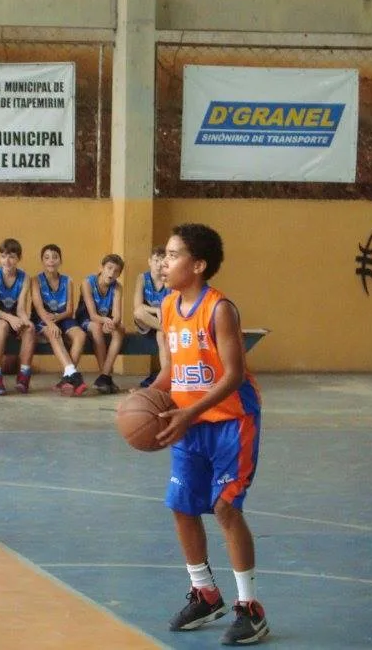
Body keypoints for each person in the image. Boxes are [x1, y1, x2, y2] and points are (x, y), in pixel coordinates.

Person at [151, 223, 269, 645]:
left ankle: (250, 607)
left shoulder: (219, 309)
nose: (165, 262)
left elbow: (234, 375)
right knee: (182, 504)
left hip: (232, 421)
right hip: (190, 423)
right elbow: (173, 369)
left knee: (224, 508)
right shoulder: (167, 306)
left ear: (197, 265)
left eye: (173, 254)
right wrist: (149, 395)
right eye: (164, 254)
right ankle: (204, 591)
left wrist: (190, 413)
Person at [31, 244, 87, 396]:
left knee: (81, 335)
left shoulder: (67, 280)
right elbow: (38, 308)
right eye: (47, 257)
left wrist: (57, 318)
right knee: (54, 333)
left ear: (60, 260)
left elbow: (69, 310)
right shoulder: (35, 280)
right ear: (42, 261)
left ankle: (68, 377)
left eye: (55, 257)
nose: (51, 261)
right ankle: (72, 373)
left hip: (62, 317)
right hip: (43, 319)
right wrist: (50, 323)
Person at [0, 238, 36, 395]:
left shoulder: (24, 277)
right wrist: (11, 319)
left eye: (12, 256)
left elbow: (20, 308)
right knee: (2, 326)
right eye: (3, 256)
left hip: (13, 317)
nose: (7, 260)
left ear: (18, 258)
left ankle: (24, 375)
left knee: (30, 329)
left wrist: (25, 321)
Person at [76, 253, 126, 394]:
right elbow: (92, 315)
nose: (111, 273)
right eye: (109, 268)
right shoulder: (88, 283)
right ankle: (106, 376)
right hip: (86, 320)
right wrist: (105, 321)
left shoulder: (117, 288)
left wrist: (112, 322)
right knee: (97, 328)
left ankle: (103, 377)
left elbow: (117, 314)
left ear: (119, 274)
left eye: (116, 271)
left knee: (120, 328)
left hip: (105, 321)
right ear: (101, 268)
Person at [134, 244, 170, 388]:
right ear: (149, 261)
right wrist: (156, 310)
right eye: (155, 260)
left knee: (161, 335)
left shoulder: (169, 279)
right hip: (146, 321)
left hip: (162, 322)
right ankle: (167, 331)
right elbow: (137, 306)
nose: (158, 264)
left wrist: (162, 313)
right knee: (138, 312)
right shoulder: (142, 278)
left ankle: (165, 379)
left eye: (162, 260)